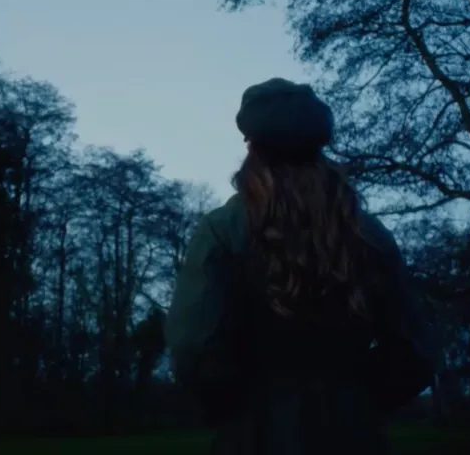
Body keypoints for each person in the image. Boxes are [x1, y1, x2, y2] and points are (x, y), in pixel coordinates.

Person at [165, 78, 437, 454]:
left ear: (252, 146)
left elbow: (194, 351)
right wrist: (354, 402)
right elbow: (414, 351)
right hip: (355, 437)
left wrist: (242, 407)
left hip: (255, 437)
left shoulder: (221, 231)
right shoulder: (371, 235)